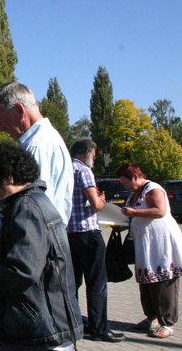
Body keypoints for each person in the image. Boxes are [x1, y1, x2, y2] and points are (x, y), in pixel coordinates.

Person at [0, 142, 83, 350]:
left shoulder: (26, 209)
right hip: (40, 326)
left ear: (8, 177)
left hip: (39, 330)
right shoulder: (30, 204)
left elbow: (22, 271)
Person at [117, 163, 182, 339]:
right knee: (147, 282)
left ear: (135, 176)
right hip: (145, 245)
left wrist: (133, 212)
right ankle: (152, 317)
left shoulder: (153, 189)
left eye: (126, 182)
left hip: (161, 244)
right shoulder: (135, 193)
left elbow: (160, 211)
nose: (125, 186)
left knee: (163, 281)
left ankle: (168, 323)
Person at [0, 81, 73, 225]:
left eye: (1, 120)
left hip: (34, 239)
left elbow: (31, 208)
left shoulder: (37, 147)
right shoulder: (44, 141)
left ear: (19, 110)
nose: (0, 128)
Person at [67, 139, 125, 343]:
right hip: (87, 233)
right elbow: (95, 204)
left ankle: (72, 323)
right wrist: (100, 200)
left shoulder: (63, 168)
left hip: (68, 233)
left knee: (71, 282)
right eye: (95, 153)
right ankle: (99, 328)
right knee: (96, 283)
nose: (95, 158)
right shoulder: (83, 171)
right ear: (88, 152)